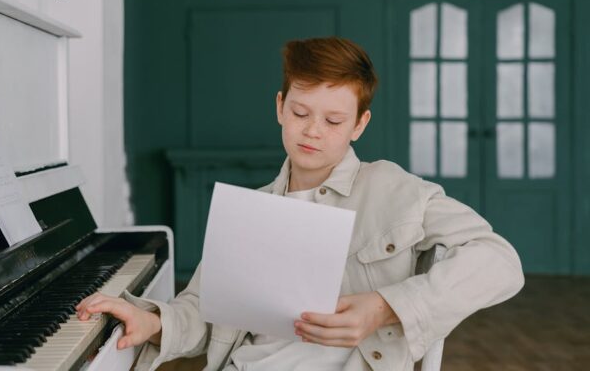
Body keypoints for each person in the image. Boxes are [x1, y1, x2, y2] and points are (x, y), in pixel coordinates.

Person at [76, 37, 525, 371]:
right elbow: (203, 314)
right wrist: (152, 322)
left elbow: (500, 262)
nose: (313, 131)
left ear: (359, 124)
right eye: (300, 112)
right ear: (279, 107)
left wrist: (386, 306)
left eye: (333, 120)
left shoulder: (396, 189)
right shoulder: (251, 210)